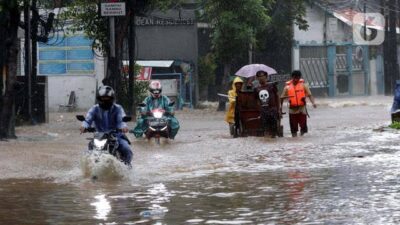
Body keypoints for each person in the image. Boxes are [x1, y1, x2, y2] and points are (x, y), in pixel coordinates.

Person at [79, 85, 133, 165]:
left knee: (127, 150)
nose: (105, 100)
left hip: (116, 136)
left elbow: (121, 120)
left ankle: (127, 168)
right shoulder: (94, 109)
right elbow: (87, 120)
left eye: (107, 98)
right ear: (99, 98)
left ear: (112, 99)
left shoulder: (118, 108)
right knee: (88, 152)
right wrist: (84, 126)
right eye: (103, 98)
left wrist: (123, 127)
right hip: (99, 137)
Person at [281, 70, 317, 137]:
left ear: (300, 77)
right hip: (292, 109)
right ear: (292, 77)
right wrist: (280, 108)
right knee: (293, 127)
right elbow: (282, 98)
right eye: (294, 78)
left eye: (297, 78)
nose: (296, 79)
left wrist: (313, 103)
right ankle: (294, 139)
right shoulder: (287, 87)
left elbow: (310, 95)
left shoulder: (304, 86)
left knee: (303, 126)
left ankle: (301, 138)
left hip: (302, 109)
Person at [254, 70, 281, 138]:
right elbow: (256, 100)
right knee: (265, 130)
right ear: (257, 78)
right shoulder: (256, 89)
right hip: (264, 111)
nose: (261, 78)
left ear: (266, 76)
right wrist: (260, 110)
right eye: (259, 76)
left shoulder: (272, 86)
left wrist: (279, 109)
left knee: (274, 130)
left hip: (272, 110)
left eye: (262, 76)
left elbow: (277, 97)